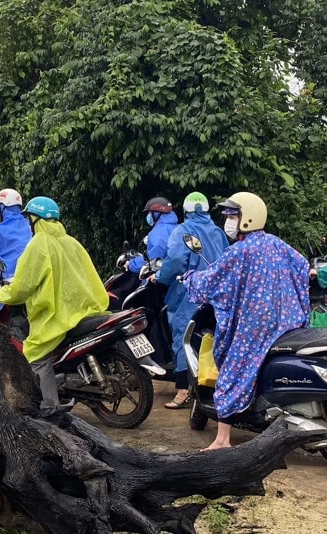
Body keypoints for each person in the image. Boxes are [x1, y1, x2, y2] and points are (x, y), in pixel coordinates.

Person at [183, 192, 310, 450]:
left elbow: (211, 280)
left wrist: (189, 278)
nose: (228, 220)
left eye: (233, 215)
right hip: (287, 321)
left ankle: (222, 440)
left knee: (231, 372)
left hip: (258, 326)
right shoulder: (276, 244)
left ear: (248, 218)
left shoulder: (240, 251)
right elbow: (303, 266)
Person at [0, 197, 109, 407]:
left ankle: (49, 406)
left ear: (35, 219)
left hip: (55, 317)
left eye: (30, 218)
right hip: (85, 310)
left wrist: (0, 295)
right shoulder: (71, 242)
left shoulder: (38, 245)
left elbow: (22, 287)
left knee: (36, 355)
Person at [151, 192, 229, 409]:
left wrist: (159, 277)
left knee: (183, 338)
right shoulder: (218, 232)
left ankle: (183, 389)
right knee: (212, 339)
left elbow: (175, 261)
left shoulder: (183, 231)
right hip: (217, 295)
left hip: (188, 293)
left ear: (185, 211)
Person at [127, 197, 178, 274]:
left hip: (159, 276)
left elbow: (153, 258)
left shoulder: (160, 232)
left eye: (150, 213)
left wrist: (131, 264)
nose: (148, 216)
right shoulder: (177, 227)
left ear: (156, 214)